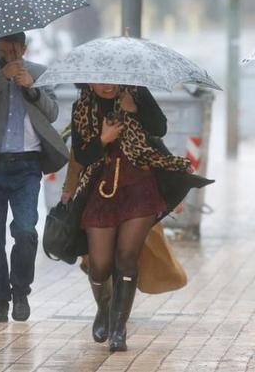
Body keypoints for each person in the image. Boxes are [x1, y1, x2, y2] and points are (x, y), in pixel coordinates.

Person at [69, 83, 209, 352]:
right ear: (88, 81)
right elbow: (83, 155)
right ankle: (105, 308)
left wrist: (135, 110)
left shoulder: (137, 94)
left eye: (112, 79)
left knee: (126, 258)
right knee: (99, 264)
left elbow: (159, 129)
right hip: (101, 191)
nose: (107, 85)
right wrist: (104, 140)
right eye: (100, 79)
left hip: (139, 188)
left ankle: (119, 329)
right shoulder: (83, 107)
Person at [0, 32, 68, 323]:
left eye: (14, 47)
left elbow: (53, 112)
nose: (9, 52)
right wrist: (1, 77)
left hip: (27, 166)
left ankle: (20, 292)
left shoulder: (39, 73)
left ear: (24, 47)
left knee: (25, 230)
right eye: (3, 47)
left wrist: (31, 88)